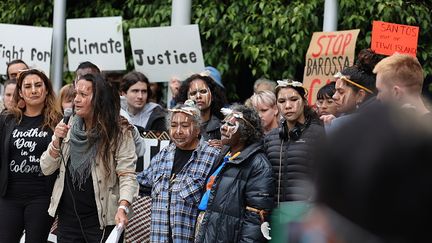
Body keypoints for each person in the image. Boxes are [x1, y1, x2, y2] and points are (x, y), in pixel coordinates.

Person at [40, 73, 138, 242]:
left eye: (83, 95)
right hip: (68, 220)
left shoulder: (119, 131)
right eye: (75, 94)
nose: (76, 99)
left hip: (102, 219)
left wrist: (123, 207)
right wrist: (56, 140)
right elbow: (46, 167)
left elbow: (127, 174)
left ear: (99, 100)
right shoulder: (67, 125)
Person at [137, 100, 219, 242]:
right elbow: (140, 181)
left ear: (198, 129)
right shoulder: (163, 155)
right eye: (173, 126)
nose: (178, 131)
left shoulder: (212, 156)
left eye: (185, 125)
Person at [195, 105, 274, 243]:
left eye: (231, 124)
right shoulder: (224, 156)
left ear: (245, 133)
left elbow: (256, 220)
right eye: (223, 123)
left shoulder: (259, 165)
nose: (224, 127)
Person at [0, 68, 61, 242]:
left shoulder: (57, 121)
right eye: (27, 86)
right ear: (20, 92)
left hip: (42, 196)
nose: (33, 90)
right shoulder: (7, 120)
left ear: (47, 89)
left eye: (38, 85)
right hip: (8, 196)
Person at [263, 79, 324, 232]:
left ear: (304, 101)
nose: (288, 106)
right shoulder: (270, 138)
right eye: (282, 101)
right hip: (275, 217)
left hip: (306, 218)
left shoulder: (319, 133)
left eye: (294, 99)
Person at [321, 49, 383, 133]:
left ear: (360, 95)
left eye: (341, 92)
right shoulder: (385, 118)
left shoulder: (342, 126)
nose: (334, 96)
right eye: (336, 91)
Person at [176, 72, 228, 145]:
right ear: (186, 98)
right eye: (193, 93)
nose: (198, 96)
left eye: (203, 92)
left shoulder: (223, 127)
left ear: (212, 96)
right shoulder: (177, 128)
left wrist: (223, 147)